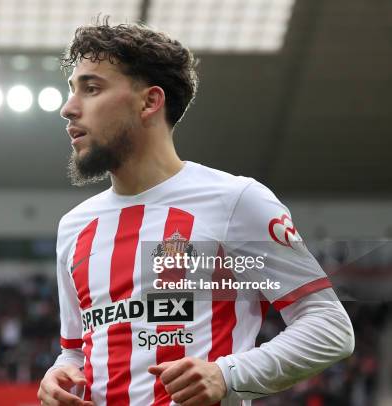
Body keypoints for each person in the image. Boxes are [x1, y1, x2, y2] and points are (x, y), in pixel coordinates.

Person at [38, 18, 354, 406]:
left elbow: (329, 326)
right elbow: (75, 350)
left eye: (91, 88)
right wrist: (59, 374)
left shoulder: (236, 201)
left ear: (150, 102)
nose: (68, 108)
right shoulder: (75, 226)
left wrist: (227, 375)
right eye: (72, 91)